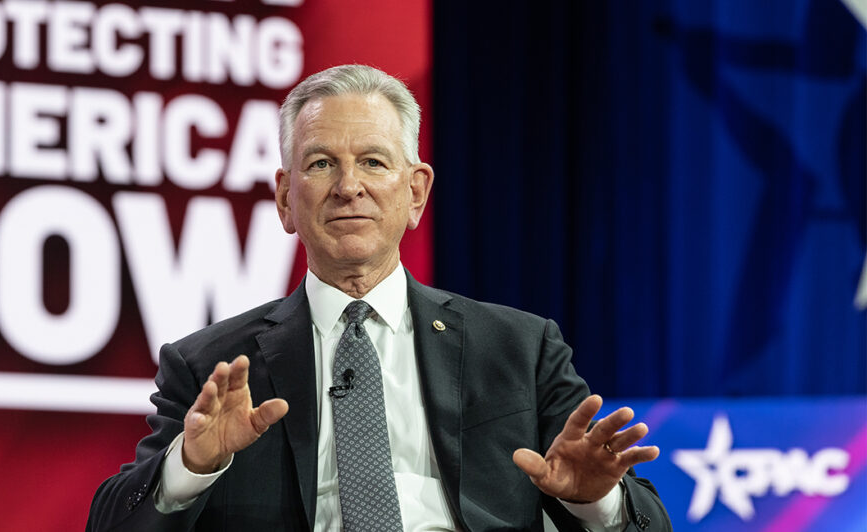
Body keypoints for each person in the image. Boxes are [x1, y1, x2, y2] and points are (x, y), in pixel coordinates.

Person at [87, 64, 671, 531]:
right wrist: (191, 469)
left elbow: (649, 523)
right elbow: (111, 522)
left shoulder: (520, 347)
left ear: (415, 192)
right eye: (321, 164)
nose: (348, 187)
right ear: (286, 199)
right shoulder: (210, 364)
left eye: (372, 161)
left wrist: (598, 504)